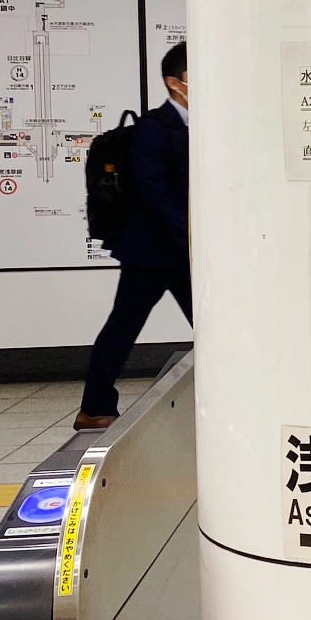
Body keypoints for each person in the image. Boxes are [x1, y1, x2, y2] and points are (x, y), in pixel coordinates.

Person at [78, 42, 192, 428]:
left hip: (181, 251)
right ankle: (95, 408)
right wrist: (192, 236)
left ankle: (241, 391)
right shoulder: (153, 129)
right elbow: (154, 193)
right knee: (124, 326)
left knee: (216, 324)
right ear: (175, 83)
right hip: (151, 253)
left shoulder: (201, 125)